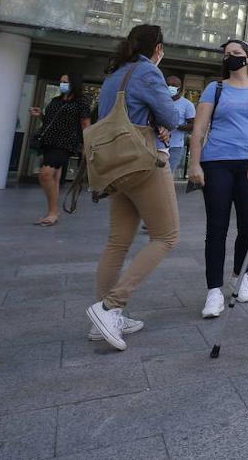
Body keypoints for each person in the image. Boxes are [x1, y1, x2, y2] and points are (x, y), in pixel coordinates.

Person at [86, 24, 180, 351]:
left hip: (114, 167)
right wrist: (161, 122)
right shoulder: (147, 73)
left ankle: (104, 318)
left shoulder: (115, 76)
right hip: (143, 165)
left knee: (117, 242)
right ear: (157, 48)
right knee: (166, 236)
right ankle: (110, 306)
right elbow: (169, 115)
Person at [187, 39, 248, 319]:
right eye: (226, 55)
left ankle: (240, 274)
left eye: (236, 54)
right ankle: (213, 291)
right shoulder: (216, 88)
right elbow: (199, 129)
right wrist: (194, 164)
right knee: (217, 227)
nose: (230, 58)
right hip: (216, 163)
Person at [29, 73, 91, 226]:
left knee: (45, 175)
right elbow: (52, 121)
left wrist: (87, 145)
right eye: (61, 81)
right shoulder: (55, 100)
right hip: (49, 141)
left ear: (73, 84)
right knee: (54, 178)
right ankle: (52, 212)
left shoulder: (81, 102)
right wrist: (41, 115)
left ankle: (53, 211)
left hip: (65, 144)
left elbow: (85, 125)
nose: (62, 84)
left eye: (65, 82)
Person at [165, 76, 195, 178]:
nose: (170, 87)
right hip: (157, 144)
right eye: (168, 85)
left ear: (179, 88)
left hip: (175, 146)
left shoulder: (187, 105)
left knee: (167, 175)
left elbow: (193, 125)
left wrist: (177, 126)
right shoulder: (160, 101)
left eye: (173, 85)